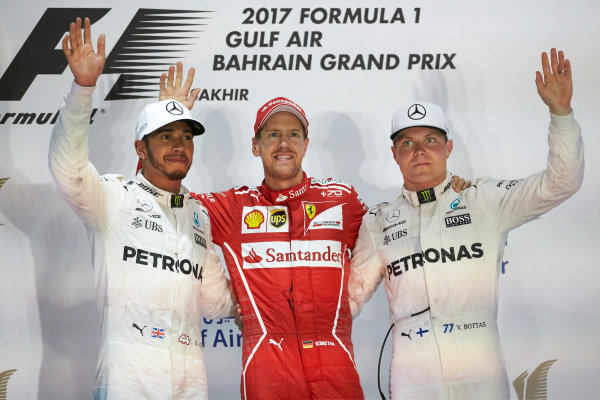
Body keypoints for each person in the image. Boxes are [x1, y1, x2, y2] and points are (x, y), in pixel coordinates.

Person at [348, 48, 584, 399]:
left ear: (448, 147)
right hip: (414, 372)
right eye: (407, 143)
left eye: (431, 140)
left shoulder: (483, 200)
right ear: (395, 155)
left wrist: (560, 114)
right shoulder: (378, 222)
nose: (420, 151)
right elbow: (348, 298)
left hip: (480, 366)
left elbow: (561, 182)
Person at [49, 18, 233, 399]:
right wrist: (84, 89)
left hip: (190, 383)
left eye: (185, 137)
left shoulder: (197, 215)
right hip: (126, 381)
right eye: (165, 136)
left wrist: (277, 284)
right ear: (139, 149)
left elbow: (216, 303)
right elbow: (69, 168)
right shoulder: (116, 200)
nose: (178, 145)